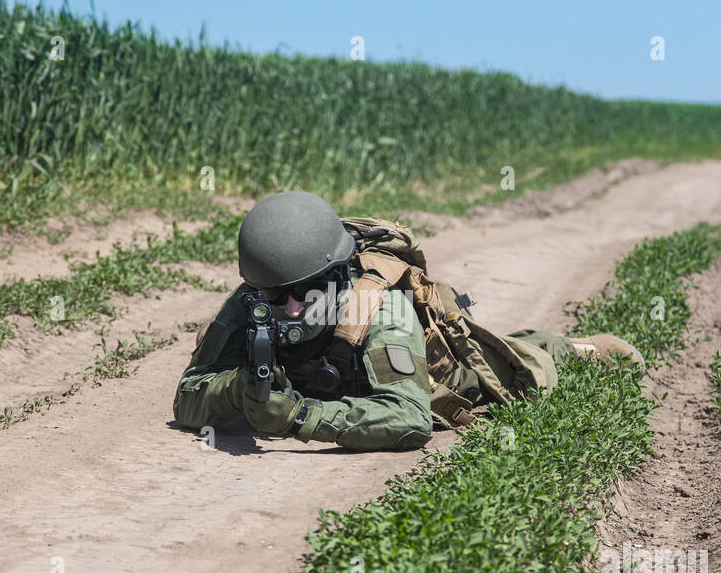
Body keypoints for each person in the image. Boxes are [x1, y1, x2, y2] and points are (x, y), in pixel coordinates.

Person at [174, 190, 643, 450]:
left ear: (336, 277)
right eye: (274, 294)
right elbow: (188, 397)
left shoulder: (381, 307)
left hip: (448, 377)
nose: (289, 307)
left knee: (520, 362)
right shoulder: (253, 300)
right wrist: (235, 390)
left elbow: (410, 419)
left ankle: (575, 348)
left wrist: (302, 416)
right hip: (350, 387)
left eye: (302, 292)